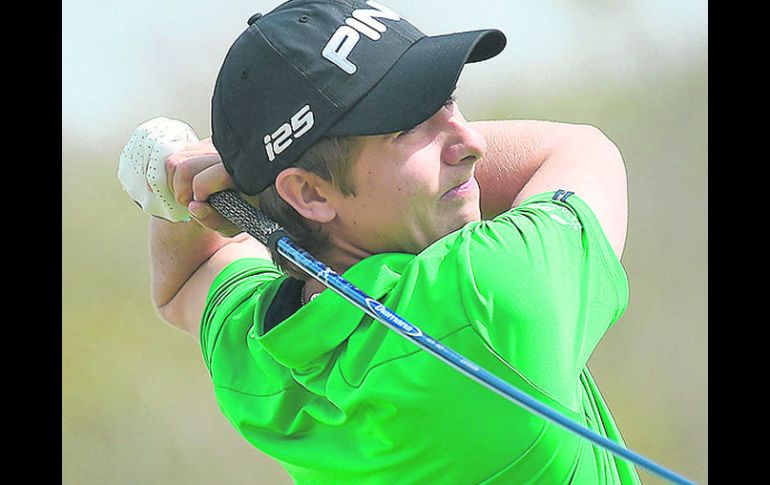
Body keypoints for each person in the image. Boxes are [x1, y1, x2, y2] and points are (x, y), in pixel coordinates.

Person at [146, 0, 638, 483]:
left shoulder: (258, 362)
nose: (473, 143)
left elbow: (186, 279)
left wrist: (207, 183)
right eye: (410, 126)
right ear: (310, 193)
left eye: (447, 101)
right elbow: (580, 149)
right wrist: (230, 170)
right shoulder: (485, 294)